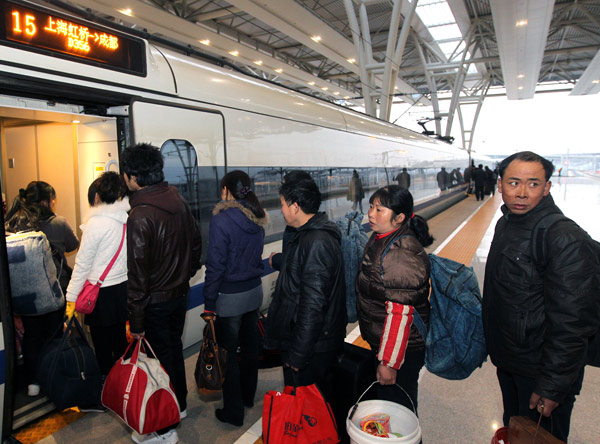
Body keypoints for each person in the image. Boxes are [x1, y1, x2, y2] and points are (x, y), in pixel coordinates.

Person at [483, 151, 599, 442]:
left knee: (541, 437)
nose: (521, 192)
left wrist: (553, 385)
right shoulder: (507, 223)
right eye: (513, 183)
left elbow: (573, 322)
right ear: (500, 185)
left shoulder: (563, 237)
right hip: (511, 362)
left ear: (547, 187)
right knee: (517, 431)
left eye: (533, 184)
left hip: (541, 372)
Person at [121, 143, 202, 444]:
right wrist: (185, 275)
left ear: (132, 177)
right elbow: (196, 245)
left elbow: (138, 275)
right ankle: (177, 406)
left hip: (153, 303)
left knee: (155, 362)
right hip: (178, 297)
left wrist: (136, 320)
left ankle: (163, 429)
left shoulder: (140, 215)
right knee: (171, 353)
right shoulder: (178, 202)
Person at [265, 170, 346, 396]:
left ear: (295, 206)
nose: (281, 210)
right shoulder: (306, 236)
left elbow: (313, 305)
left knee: (309, 410)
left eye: (282, 204)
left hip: (313, 347)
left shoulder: (316, 242)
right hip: (311, 342)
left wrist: (299, 353)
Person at [356, 185, 433, 415]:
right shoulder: (383, 237)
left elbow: (400, 313)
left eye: (379, 209)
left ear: (399, 218)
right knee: (389, 406)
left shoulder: (401, 253)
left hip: (402, 350)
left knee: (399, 411)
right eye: (371, 206)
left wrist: (389, 363)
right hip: (387, 341)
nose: (371, 213)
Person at [202, 170, 268, 427]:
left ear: (226, 191)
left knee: (227, 355)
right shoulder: (258, 217)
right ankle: (248, 397)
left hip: (230, 297)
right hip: (254, 293)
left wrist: (209, 303)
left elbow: (215, 266)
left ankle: (233, 412)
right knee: (250, 348)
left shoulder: (222, 220)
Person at [5, 181, 79, 397]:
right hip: (53, 291)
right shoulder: (59, 223)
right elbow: (73, 245)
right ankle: (54, 379)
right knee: (55, 335)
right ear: (47, 200)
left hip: (25, 295)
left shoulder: (14, 223)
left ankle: (33, 382)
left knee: (32, 337)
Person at [64, 172, 129, 408]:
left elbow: (82, 265)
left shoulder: (95, 225)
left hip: (100, 295)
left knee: (102, 347)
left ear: (99, 197)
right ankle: (124, 388)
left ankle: (106, 395)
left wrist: (70, 299)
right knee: (120, 342)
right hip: (122, 290)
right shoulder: (125, 220)